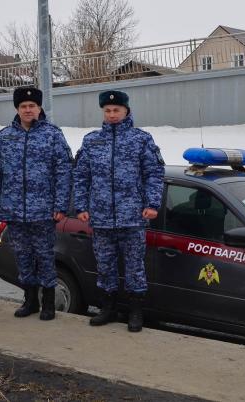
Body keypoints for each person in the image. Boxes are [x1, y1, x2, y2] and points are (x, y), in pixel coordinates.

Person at [73, 90, 164, 332]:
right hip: (101, 218)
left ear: (126, 111)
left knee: (135, 266)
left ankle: (135, 312)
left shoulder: (141, 139)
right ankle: (108, 308)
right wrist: (81, 206)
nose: (112, 114)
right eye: (108, 111)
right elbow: (81, 176)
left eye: (116, 110)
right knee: (105, 265)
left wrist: (152, 204)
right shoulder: (92, 141)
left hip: (133, 217)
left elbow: (153, 174)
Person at [0, 86, 73, 321]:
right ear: (17, 109)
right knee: (22, 257)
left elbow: (64, 171)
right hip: (14, 210)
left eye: (31, 106)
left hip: (43, 211)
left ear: (39, 108)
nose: (27, 110)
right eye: (23, 106)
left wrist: (60, 206)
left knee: (45, 256)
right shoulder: (5, 136)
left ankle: (48, 303)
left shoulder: (53, 135)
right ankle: (30, 300)